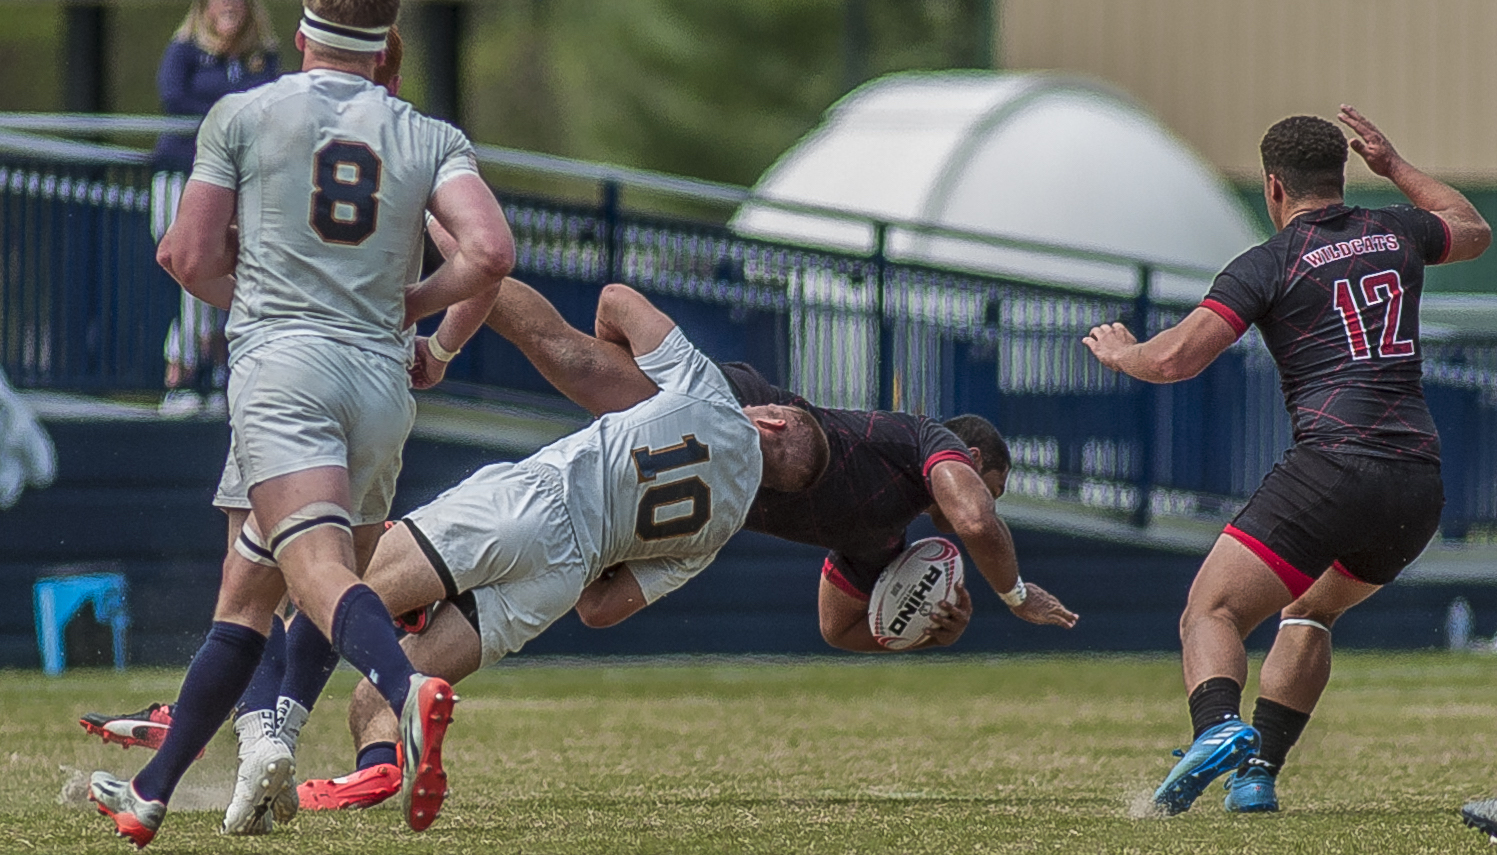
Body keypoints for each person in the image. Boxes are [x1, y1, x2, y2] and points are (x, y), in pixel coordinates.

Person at [84, 0, 515, 847]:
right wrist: (413, 308)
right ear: (386, 40)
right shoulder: (429, 135)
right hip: (381, 382)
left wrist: (263, 302)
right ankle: (150, 791)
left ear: (307, 29)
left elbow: (184, 253)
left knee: (310, 571)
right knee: (253, 587)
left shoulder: (244, 111)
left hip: (286, 368)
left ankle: (404, 689)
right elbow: (491, 253)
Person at [279, 282, 829, 812]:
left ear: (773, 421)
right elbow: (601, 610)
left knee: (332, 588)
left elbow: (618, 299)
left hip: (533, 503)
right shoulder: (720, 532)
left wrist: (618, 373)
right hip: (562, 580)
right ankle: (379, 765)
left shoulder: (709, 391)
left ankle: (261, 725)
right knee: (381, 694)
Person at [1082, 106, 1489, 816]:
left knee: (1209, 611)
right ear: (1339, 175)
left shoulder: (1270, 261)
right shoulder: (1395, 229)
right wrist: (1394, 166)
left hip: (1333, 466)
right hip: (1416, 484)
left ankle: (1214, 728)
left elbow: (1178, 356)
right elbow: (1473, 228)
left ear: (1273, 187)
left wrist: (1122, 354)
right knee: (1309, 611)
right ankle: (1256, 774)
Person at [151, 0, 280, 416]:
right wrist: (233, 113)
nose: (230, 5)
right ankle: (184, 374)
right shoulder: (185, 50)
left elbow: (272, 106)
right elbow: (173, 97)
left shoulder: (263, 55)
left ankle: (219, 374)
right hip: (183, 174)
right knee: (189, 271)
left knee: (232, 274)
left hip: (239, 180)